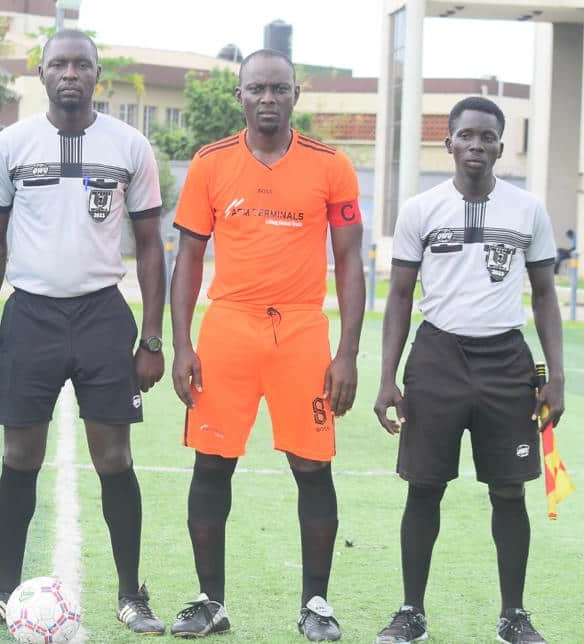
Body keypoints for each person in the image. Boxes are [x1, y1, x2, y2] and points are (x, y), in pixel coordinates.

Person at [0, 29, 167, 636]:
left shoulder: (130, 145)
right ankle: (2, 591)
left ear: (98, 74)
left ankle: (131, 594)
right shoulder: (10, 145)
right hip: (30, 316)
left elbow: (151, 246)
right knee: (19, 455)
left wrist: (151, 338)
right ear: (40, 72)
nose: (69, 73)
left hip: (103, 315)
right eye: (58, 64)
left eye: (81, 64)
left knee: (114, 457)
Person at [168, 49, 365, 640]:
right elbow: (188, 260)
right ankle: (211, 602)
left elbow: (351, 262)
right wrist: (181, 344)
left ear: (295, 94)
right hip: (227, 327)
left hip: (303, 330)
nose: (268, 99)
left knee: (312, 466)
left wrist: (348, 351)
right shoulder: (209, 163)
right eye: (257, 89)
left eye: (279, 88)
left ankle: (316, 605)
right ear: (240, 96)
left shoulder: (331, 165)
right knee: (211, 464)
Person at [373, 97, 563, 644]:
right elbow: (401, 297)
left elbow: (546, 296)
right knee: (424, 487)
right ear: (448, 142)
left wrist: (556, 375)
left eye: (487, 137)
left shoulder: (527, 209)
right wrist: (388, 377)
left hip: (507, 361)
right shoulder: (420, 210)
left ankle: (513, 616)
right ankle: (411, 612)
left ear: (502, 146)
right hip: (437, 358)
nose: (476, 145)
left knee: (510, 491)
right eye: (466, 136)